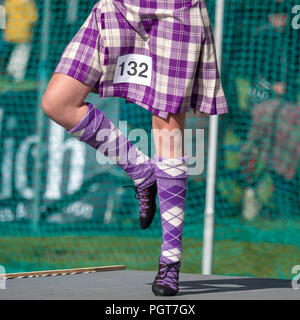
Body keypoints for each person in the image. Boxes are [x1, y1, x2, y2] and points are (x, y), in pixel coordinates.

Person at [42, 0, 228, 296]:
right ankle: (141, 169)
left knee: (167, 128)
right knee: (58, 102)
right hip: (118, 6)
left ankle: (170, 262)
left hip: (174, 11)